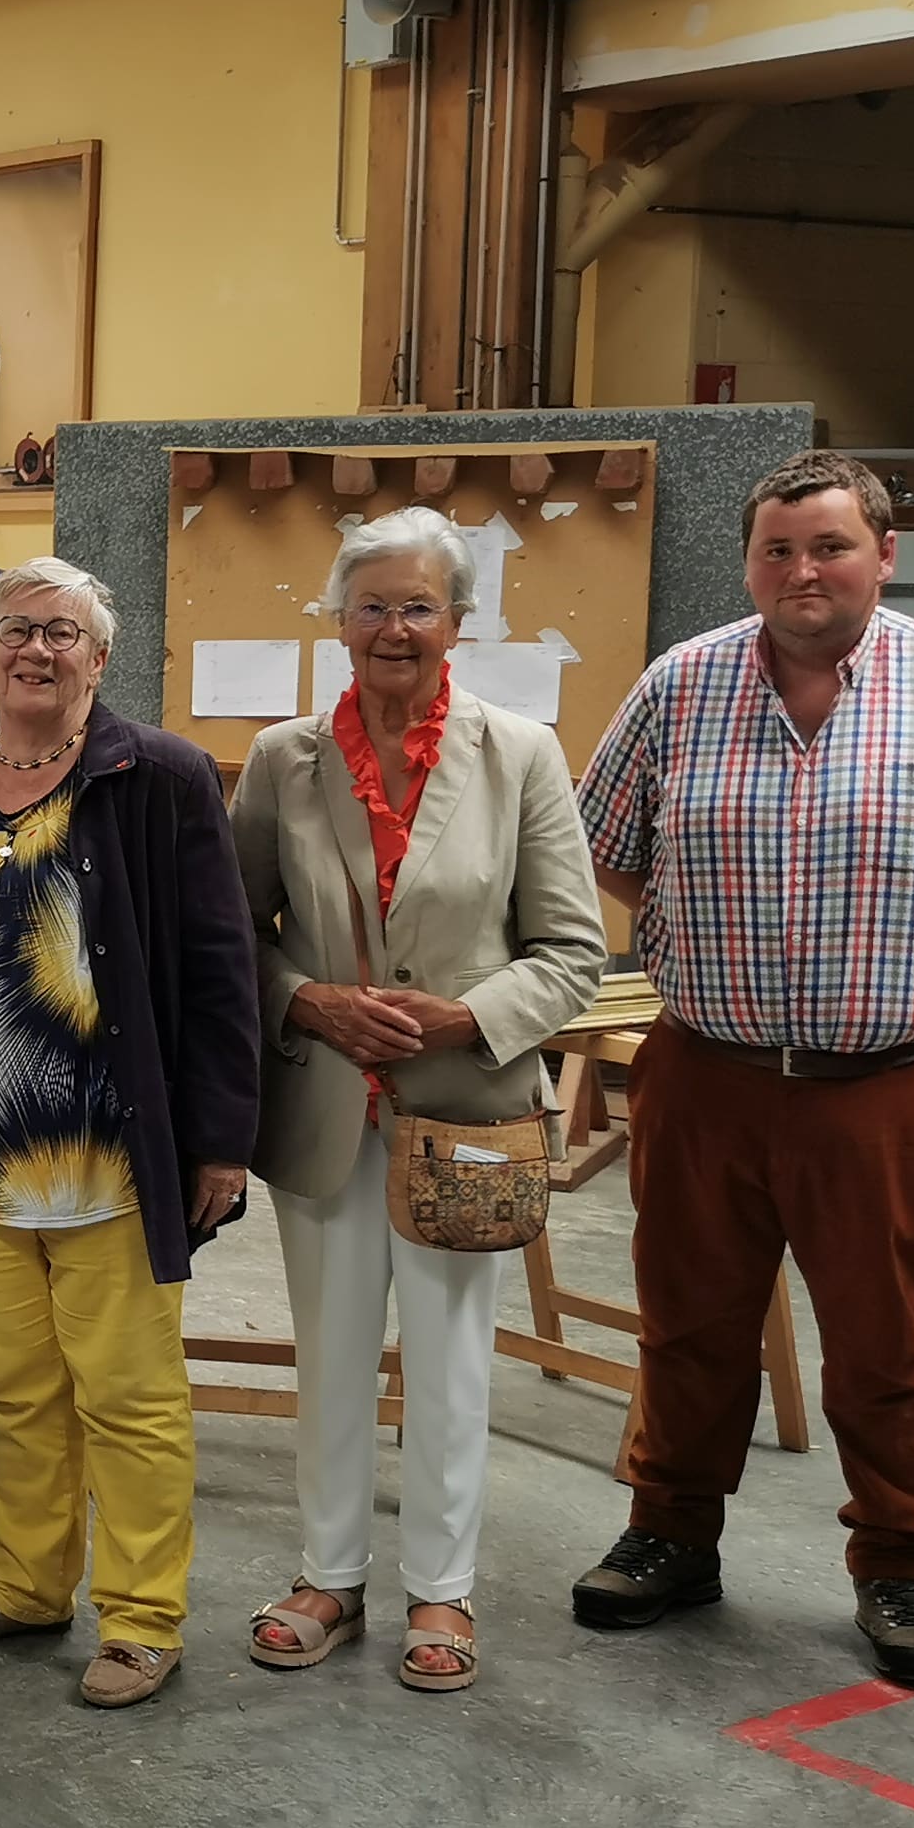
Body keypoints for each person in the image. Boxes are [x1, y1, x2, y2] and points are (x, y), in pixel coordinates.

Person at [570, 449, 914, 1688]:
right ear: (750, 564)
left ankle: (901, 1565)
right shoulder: (680, 686)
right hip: (708, 1072)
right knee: (690, 1324)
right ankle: (670, 1536)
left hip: (888, 1084)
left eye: (829, 546)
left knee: (880, 1339)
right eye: (779, 550)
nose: (802, 571)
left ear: (883, 556)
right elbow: (609, 847)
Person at [227, 509, 605, 1694]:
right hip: (328, 1110)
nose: (395, 628)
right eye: (373, 606)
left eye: (419, 607)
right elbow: (233, 937)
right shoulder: (282, 760)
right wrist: (311, 1005)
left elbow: (572, 952)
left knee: (449, 1360)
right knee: (333, 1353)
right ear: (339, 621)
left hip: (465, 1110)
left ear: (459, 621)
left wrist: (463, 1018)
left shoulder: (522, 754)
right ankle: (329, 1576)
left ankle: (442, 1589)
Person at [0, 557, 260, 1710]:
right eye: (16, 630)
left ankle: (141, 1619)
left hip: (110, 1158)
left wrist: (220, 1138)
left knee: (129, 1397)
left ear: (100, 657)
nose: (35, 650)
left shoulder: (162, 778)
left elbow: (221, 963)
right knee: (18, 1387)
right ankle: (30, 1586)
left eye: (61, 633)